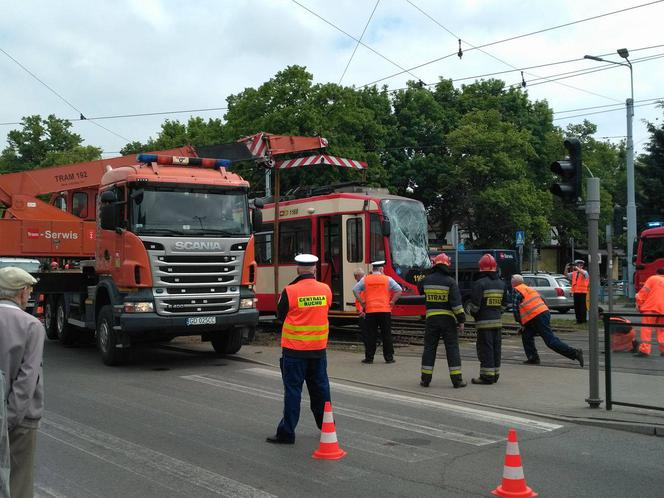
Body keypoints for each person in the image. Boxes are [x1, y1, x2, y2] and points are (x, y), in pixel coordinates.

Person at [267, 254, 332, 445]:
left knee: (293, 392)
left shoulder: (290, 290)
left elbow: (280, 314)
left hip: (294, 352)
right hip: (318, 351)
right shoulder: (325, 289)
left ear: (298, 269)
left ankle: (287, 433)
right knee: (321, 390)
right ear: (314, 269)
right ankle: (327, 426)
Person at [0, 267, 45, 498]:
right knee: (18, 484)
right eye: (28, 291)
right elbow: (27, 379)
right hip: (20, 420)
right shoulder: (31, 325)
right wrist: (8, 421)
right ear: (21, 292)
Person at [512, 274, 584, 367]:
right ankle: (533, 357)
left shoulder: (516, 290)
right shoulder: (528, 288)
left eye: (511, 281)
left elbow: (515, 309)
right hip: (542, 313)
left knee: (550, 341)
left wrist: (521, 323)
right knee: (526, 335)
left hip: (536, 316)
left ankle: (575, 353)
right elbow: (541, 300)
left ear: (514, 283)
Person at [418, 253, 467, 388]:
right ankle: (457, 380)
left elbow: (419, 288)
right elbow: (456, 305)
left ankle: (425, 379)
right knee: (452, 349)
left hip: (431, 320)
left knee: (429, 349)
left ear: (435, 265)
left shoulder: (427, 280)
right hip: (448, 321)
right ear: (447, 266)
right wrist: (461, 320)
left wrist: (428, 273)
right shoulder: (451, 282)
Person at [353, 260, 402, 364]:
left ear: (373, 269)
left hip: (370, 311)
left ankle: (369, 358)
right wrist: (392, 301)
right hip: (385, 310)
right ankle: (389, 358)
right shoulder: (387, 279)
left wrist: (362, 302)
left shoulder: (366, 280)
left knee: (371, 335)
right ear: (381, 269)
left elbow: (355, 290)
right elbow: (399, 290)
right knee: (386, 334)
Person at [467, 254, 506, 385]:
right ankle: (495, 374)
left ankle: (487, 377)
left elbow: (474, 307)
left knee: (485, 349)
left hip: (483, 324)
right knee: (496, 349)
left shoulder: (479, 284)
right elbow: (504, 305)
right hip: (497, 323)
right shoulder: (502, 284)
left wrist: (474, 315)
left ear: (481, 269)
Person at [634, 267, 664, 357]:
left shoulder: (653, 278)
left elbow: (643, 293)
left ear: (657, 272)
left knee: (646, 329)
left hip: (651, 308)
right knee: (662, 330)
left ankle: (644, 350)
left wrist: (639, 305)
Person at [565, 259, 589, 324]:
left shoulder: (585, 272)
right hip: (576, 292)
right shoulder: (574, 273)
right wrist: (566, 268)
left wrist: (576, 268)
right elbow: (566, 275)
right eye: (578, 265)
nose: (580, 266)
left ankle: (583, 320)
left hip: (583, 292)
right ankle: (578, 320)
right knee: (577, 307)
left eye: (581, 265)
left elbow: (583, 273)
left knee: (582, 307)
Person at [353, 268, 367, 348]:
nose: (355, 279)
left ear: (358, 276)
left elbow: (362, 300)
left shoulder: (362, 284)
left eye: (355, 277)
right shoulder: (366, 281)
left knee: (366, 332)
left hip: (363, 313)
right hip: (365, 311)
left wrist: (362, 311)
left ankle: (369, 350)